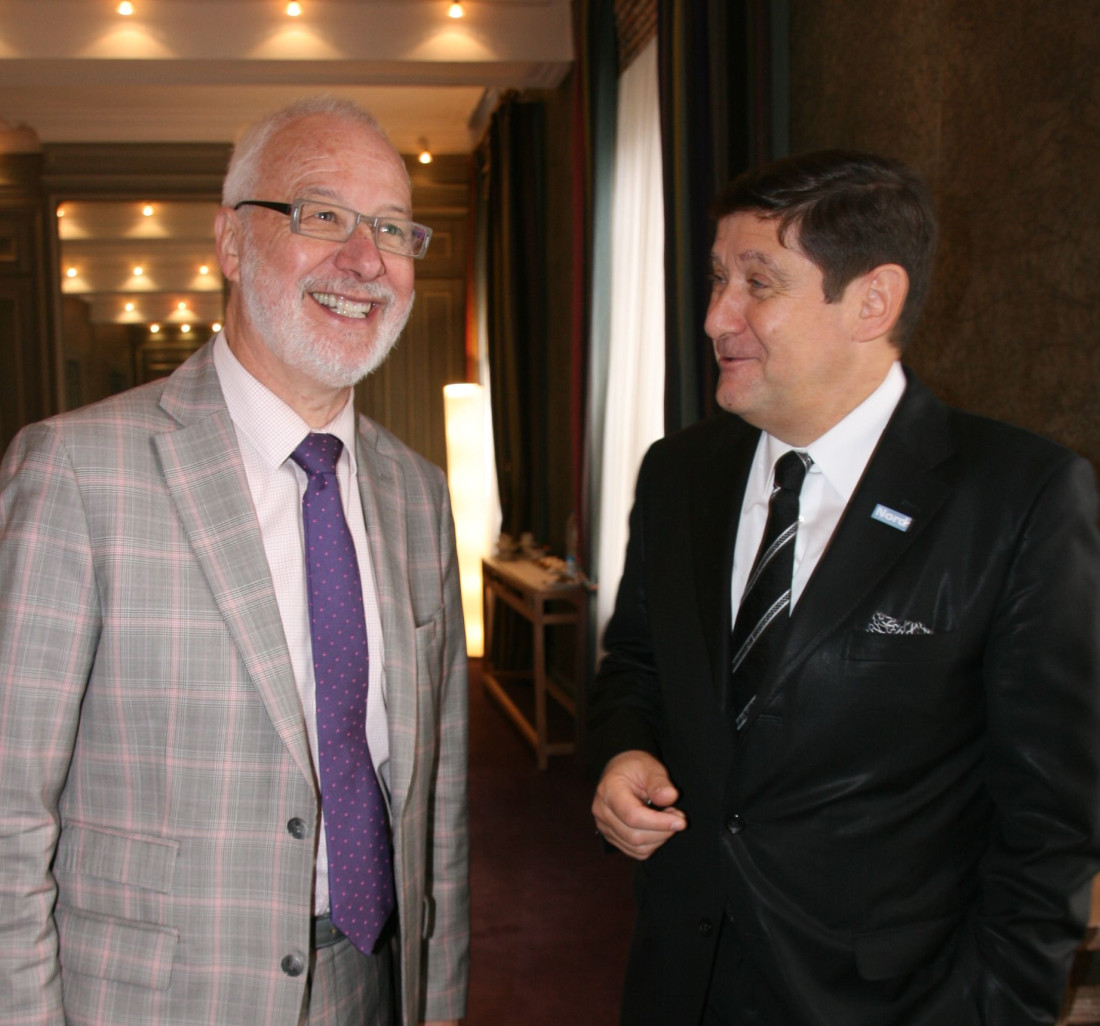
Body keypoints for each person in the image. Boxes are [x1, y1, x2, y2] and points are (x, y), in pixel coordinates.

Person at [588, 149, 1100, 1025]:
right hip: (679, 982)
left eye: (760, 283)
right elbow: (635, 661)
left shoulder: (1018, 498)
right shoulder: (680, 473)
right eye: (717, 278)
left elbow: (1051, 818)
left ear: (874, 301)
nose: (717, 317)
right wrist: (622, 751)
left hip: (890, 1002)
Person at [0, 96, 468, 1026]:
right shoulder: (76, 472)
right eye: (321, 215)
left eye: (390, 229)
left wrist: (438, 999)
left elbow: (438, 804)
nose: (364, 260)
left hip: (376, 984)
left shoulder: (418, 494)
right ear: (229, 241)